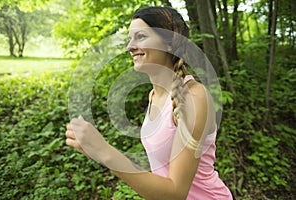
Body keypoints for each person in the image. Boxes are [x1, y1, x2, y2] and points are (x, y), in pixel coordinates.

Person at [66, 6, 233, 200]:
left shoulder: (193, 98)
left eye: (141, 37)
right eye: (130, 38)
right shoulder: (154, 95)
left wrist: (104, 152)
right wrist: (93, 149)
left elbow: (175, 193)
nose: (130, 47)